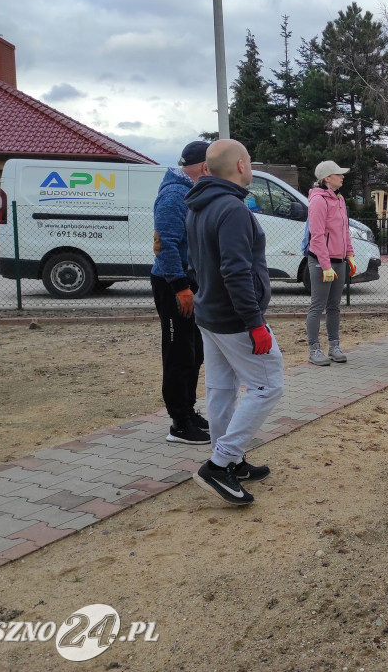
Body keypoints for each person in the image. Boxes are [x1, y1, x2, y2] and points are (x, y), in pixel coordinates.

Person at [185, 139, 284, 506]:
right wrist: (254, 321)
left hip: (210, 313)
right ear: (242, 165)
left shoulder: (200, 205)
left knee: (222, 390)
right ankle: (220, 463)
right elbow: (236, 270)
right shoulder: (231, 209)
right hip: (233, 318)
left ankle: (232, 461)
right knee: (268, 386)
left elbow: (199, 262)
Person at [150, 140, 211, 445]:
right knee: (177, 354)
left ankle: (189, 410)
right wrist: (180, 287)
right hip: (173, 285)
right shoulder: (175, 195)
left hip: (189, 283)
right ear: (204, 166)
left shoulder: (190, 191)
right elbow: (167, 244)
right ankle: (178, 423)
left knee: (194, 352)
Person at [305, 160, 356, 366]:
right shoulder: (318, 201)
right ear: (327, 178)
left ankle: (334, 346)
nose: (342, 176)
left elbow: (344, 230)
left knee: (334, 306)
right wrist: (325, 265)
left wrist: (349, 255)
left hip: (339, 260)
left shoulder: (339, 199)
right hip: (320, 261)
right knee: (317, 306)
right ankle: (314, 349)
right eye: (338, 173)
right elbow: (316, 236)